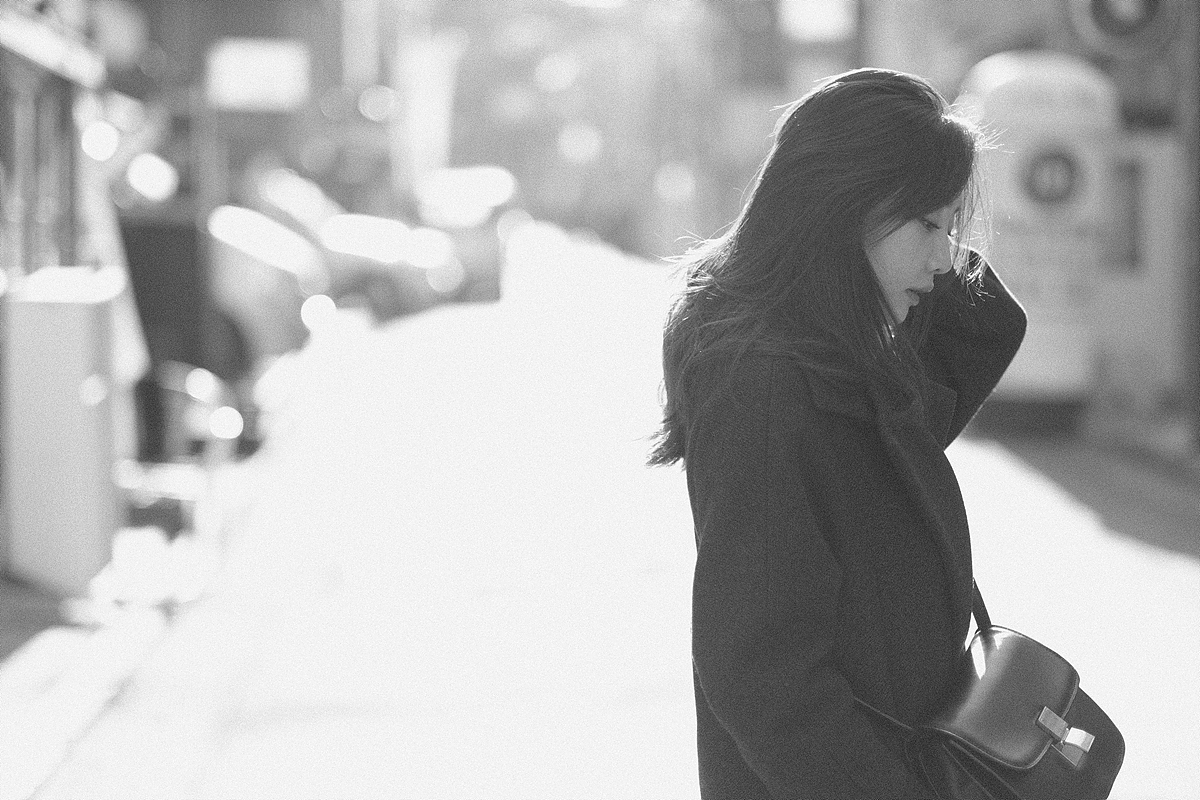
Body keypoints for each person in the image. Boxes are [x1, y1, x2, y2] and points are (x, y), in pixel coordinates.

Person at [648, 68, 1027, 798]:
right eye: (928, 226)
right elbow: (762, 674)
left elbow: (977, 338)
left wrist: (913, 227)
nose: (946, 259)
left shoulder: (846, 363)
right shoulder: (764, 385)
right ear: (842, 207)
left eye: (953, 228)